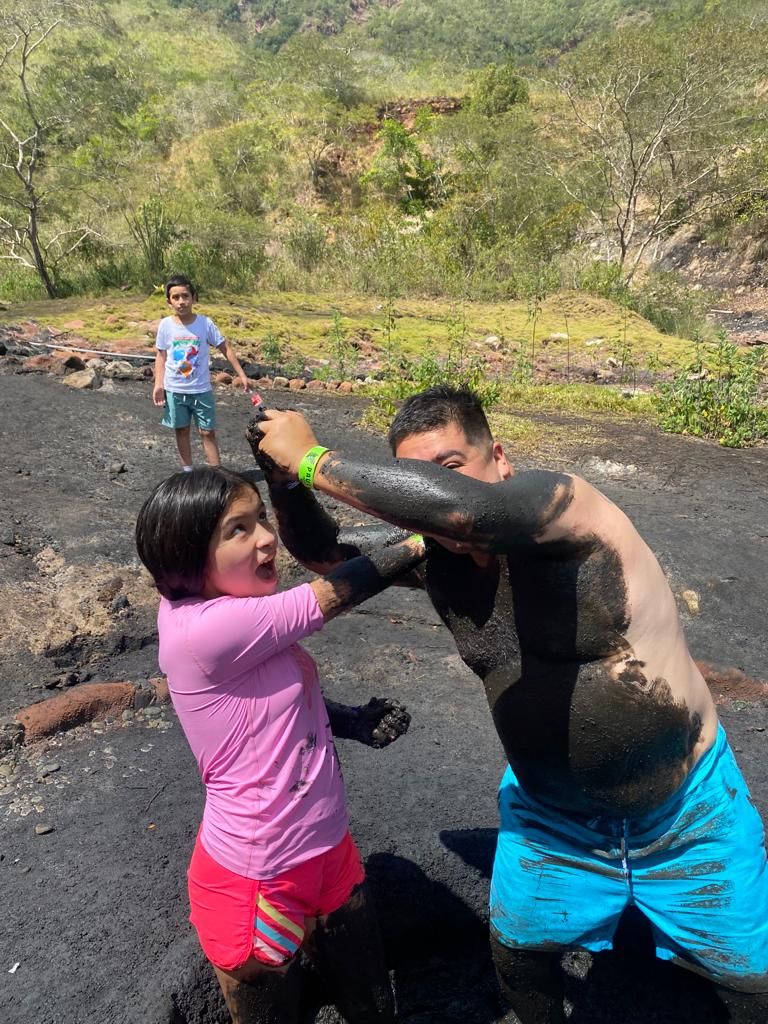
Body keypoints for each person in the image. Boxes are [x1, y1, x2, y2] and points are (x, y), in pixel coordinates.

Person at [249, 386, 768, 1024]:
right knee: (519, 956)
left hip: (685, 810)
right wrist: (285, 481)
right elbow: (327, 555)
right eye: (415, 478)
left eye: (450, 465)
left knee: (749, 981)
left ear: (499, 458)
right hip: (551, 819)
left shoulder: (569, 510)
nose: (435, 490)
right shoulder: (433, 554)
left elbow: (467, 512)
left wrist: (312, 458)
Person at [135, 466, 424, 1023]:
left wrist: (350, 721)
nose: (267, 538)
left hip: (328, 849)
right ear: (187, 555)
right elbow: (338, 591)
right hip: (259, 880)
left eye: (261, 519)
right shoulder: (202, 630)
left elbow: (270, 711)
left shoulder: (232, 617)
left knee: (374, 1007)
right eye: (238, 530)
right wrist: (427, 538)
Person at [153, 274, 251, 471]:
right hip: (175, 390)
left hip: (201, 390)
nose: (181, 301)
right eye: (175, 297)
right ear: (169, 301)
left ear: (194, 297)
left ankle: (216, 473)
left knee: (207, 431)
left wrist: (241, 374)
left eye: (185, 296)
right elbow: (161, 356)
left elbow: (225, 348)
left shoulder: (205, 324)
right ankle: (188, 473)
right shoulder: (166, 325)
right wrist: (158, 384)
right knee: (181, 430)